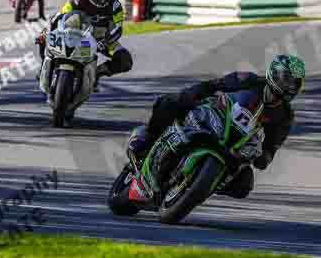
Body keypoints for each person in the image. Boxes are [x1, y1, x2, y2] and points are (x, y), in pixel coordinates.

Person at [127, 54, 306, 200]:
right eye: (287, 80)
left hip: (237, 146)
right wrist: (193, 94)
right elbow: (214, 85)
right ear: (275, 74)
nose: (290, 86)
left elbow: (273, 145)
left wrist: (264, 158)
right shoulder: (248, 80)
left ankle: (202, 184)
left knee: (244, 185)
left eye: (295, 83)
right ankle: (147, 141)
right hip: (213, 116)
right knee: (169, 102)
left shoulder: (285, 116)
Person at [36, 0, 132, 90]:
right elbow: (58, 16)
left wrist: (105, 42)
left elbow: (118, 28)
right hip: (75, 34)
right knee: (43, 38)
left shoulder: (115, 5)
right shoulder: (78, 0)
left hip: (101, 39)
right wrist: (47, 31)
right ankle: (44, 67)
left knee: (125, 60)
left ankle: (96, 73)